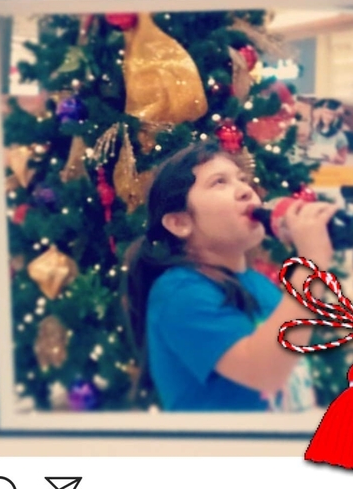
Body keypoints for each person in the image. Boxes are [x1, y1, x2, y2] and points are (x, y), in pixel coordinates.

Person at [124, 139, 338, 411]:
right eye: (219, 182)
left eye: (242, 179)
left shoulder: (260, 285)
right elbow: (264, 372)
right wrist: (311, 265)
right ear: (179, 222)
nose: (246, 190)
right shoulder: (179, 293)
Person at [307, 98, 349, 165]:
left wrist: (334, 156)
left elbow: (343, 161)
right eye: (326, 113)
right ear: (321, 113)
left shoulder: (340, 137)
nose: (328, 117)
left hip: (330, 169)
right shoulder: (315, 132)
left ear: (335, 117)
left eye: (331, 114)